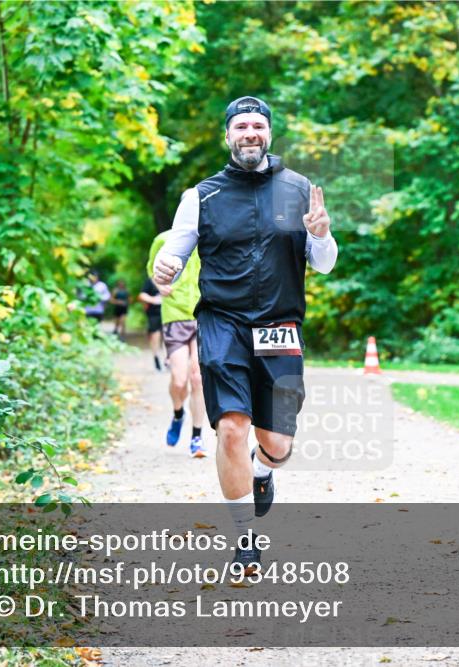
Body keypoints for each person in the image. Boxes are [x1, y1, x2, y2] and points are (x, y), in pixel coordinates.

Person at [152, 96, 337, 571]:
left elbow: (325, 263)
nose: (250, 132)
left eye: (258, 125)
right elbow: (172, 255)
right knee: (231, 428)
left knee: (276, 443)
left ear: (269, 133)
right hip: (224, 323)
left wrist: (320, 233)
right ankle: (245, 541)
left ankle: (261, 471)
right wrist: (164, 267)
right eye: (241, 126)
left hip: (280, 325)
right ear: (228, 135)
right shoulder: (202, 196)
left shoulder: (299, 190)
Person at [147, 230, 206, 457]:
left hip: (202, 313)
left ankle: (197, 438)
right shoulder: (163, 239)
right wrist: (159, 286)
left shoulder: (210, 236)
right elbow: (152, 268)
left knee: (198, 379)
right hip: (174, 315)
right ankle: (178, 413)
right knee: (179, 379)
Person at [137, 277, 164, 371]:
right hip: (154, 313)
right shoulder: (151, 280)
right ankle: (156, 358)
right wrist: (154, 300)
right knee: (155, 336)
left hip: (171, 313)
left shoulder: (177, 278)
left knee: (169, 336)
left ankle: (168, 360)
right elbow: (141, 295)